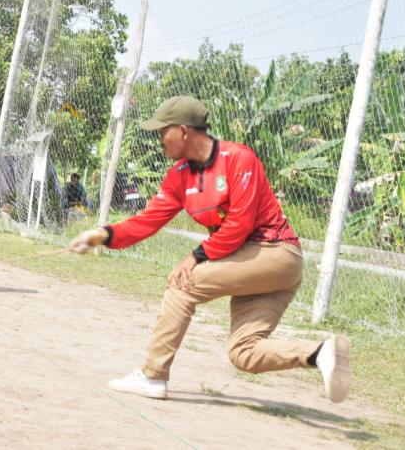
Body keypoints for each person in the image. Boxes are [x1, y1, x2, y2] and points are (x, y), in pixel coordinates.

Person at [69, 96, 351, 402]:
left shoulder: (239, 159)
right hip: (247, 262)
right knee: (244, 353)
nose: (159, 139)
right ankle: (321, 354)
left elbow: (239, 225)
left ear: (183, 131)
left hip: (275, 254)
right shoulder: (179, 175)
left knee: (182, 285)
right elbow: (147, 221)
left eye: (163, 131)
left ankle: (153, 375)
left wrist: (195, 256)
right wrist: (102, 235)